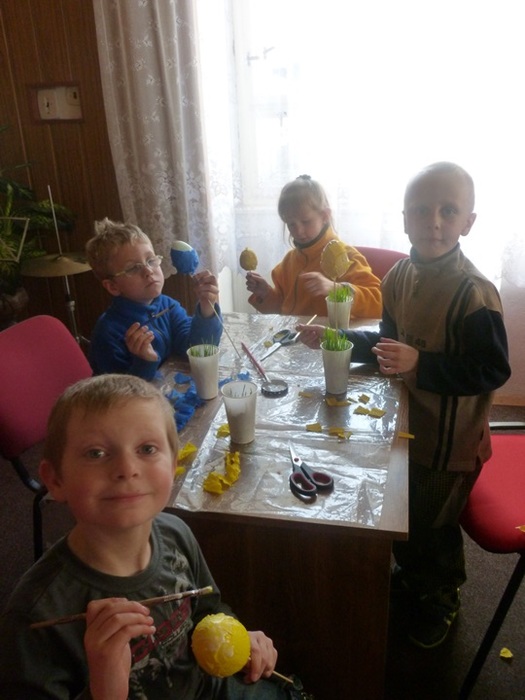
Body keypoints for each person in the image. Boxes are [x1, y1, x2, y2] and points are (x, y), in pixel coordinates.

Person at [297, 162, 511, 649]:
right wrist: (335, 336)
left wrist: (423, 364)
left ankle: (441, 596)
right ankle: (414, 574)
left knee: (433, 527)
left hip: (449, 445)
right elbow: (387, 346)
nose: (433, 221)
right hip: (409, 425)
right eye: (421, 210)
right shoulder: (397, 277)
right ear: (405, 219)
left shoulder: (474, 295)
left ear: (468, 223)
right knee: (406, 515)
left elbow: (492, 370)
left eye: (448, 211)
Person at [0, 374, 291, 699]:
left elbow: (207, 609)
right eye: (96, 453)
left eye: (147, 449)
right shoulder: (34, 618)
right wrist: (104, 689)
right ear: (55, 480)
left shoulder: (176, 533)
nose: (127, 468)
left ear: (173, 464)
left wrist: (237, 636)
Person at [86, 218, 223, 380]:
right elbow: (118, 392)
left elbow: (196, 348)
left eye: (151, 260)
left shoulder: (168, 306)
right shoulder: (108, 334)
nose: (148, 271)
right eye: (133, 268)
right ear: (113, 286)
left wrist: (207, 308)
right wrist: (145, 362)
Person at [245, 175, 382, 318]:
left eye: (306, 222)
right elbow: (283, 310)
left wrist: (336, 290)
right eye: (291, 224)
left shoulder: (346, 257)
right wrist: (265, 293)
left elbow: (379, 301)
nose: (298, 231)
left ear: (325, 216)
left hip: (329, 333)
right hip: (293, 332)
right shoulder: (288, 263)